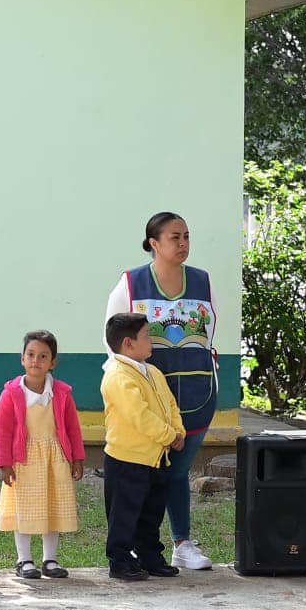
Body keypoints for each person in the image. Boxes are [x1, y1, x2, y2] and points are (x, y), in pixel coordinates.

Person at [104, 211, 218, 570]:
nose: (183, 243)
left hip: (196, 394)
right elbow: (114, 342)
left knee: (177, 471)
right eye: (174, 237)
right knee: (148, 478)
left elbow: (208, 336)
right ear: (154, 243)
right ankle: (135, 549)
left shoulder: (202, 281)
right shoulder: (131, 283)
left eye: (186, 236)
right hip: (148, 400)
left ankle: (181, 543)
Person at [101, 313, 186, 581]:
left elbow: (170, 404)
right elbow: (139, 415)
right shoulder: (117, 375)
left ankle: (150, 555)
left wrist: (178, 430)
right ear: (128, 343)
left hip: (156, 458)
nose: (152, 340)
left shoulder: (153, 371)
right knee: (124, 514)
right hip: (127, 459)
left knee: (151, 513)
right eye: (147, 335)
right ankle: (120, 560)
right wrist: (168, 436)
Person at [0, 330, 85, 579]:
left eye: (43, 356)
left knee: (52, 507)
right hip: (23, 460)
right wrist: (4, 463)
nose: (36, 361)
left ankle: (50, 559)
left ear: (53, 362)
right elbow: (3, 430)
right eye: (31, 355)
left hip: (54, 458)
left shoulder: (62, 393)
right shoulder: (11, 393)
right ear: (22, 358)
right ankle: (24, 559)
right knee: (25, 509)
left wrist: (77, 458)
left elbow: (72, 427)